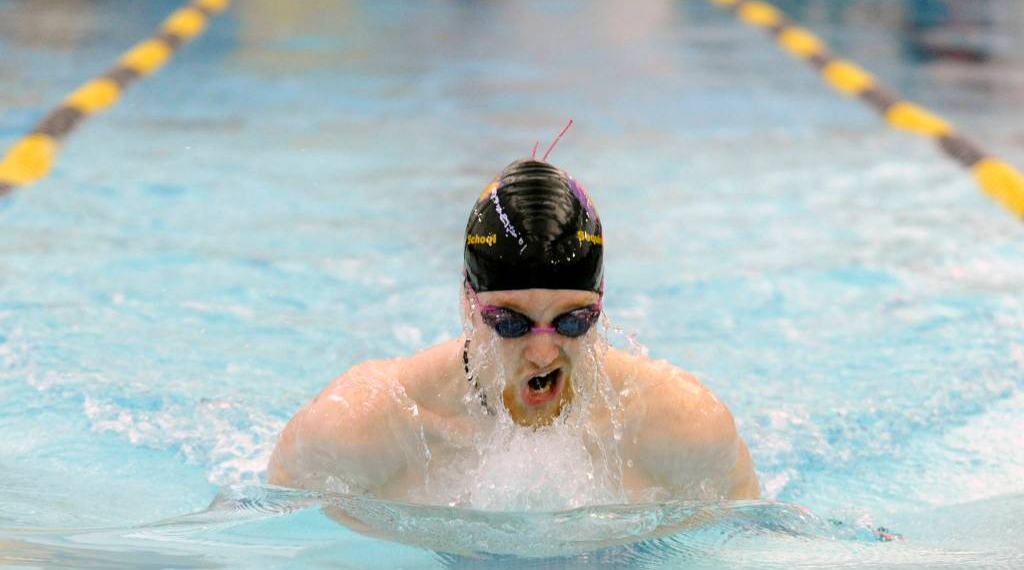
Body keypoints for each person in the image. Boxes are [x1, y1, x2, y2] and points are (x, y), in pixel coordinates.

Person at [268, 158, 759, 504]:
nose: (543, 352)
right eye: (510, 322)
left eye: (572, 320)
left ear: (601, 305)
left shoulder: (682, 427)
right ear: (468, 303)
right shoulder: (365, 426)